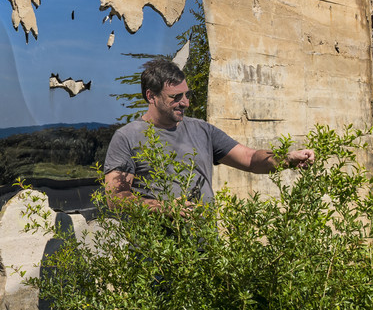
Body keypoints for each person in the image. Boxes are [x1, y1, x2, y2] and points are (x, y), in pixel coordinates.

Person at [104, 57, 313, 212]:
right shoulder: (127, 138)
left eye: (187, 95)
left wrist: (287, 158)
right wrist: (162, 207)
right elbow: (116, 198)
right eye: (175, 97)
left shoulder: (202, 130)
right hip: (155, 262)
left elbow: (250, 159)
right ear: (151, 96)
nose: (185, 102)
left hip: (204, 255)